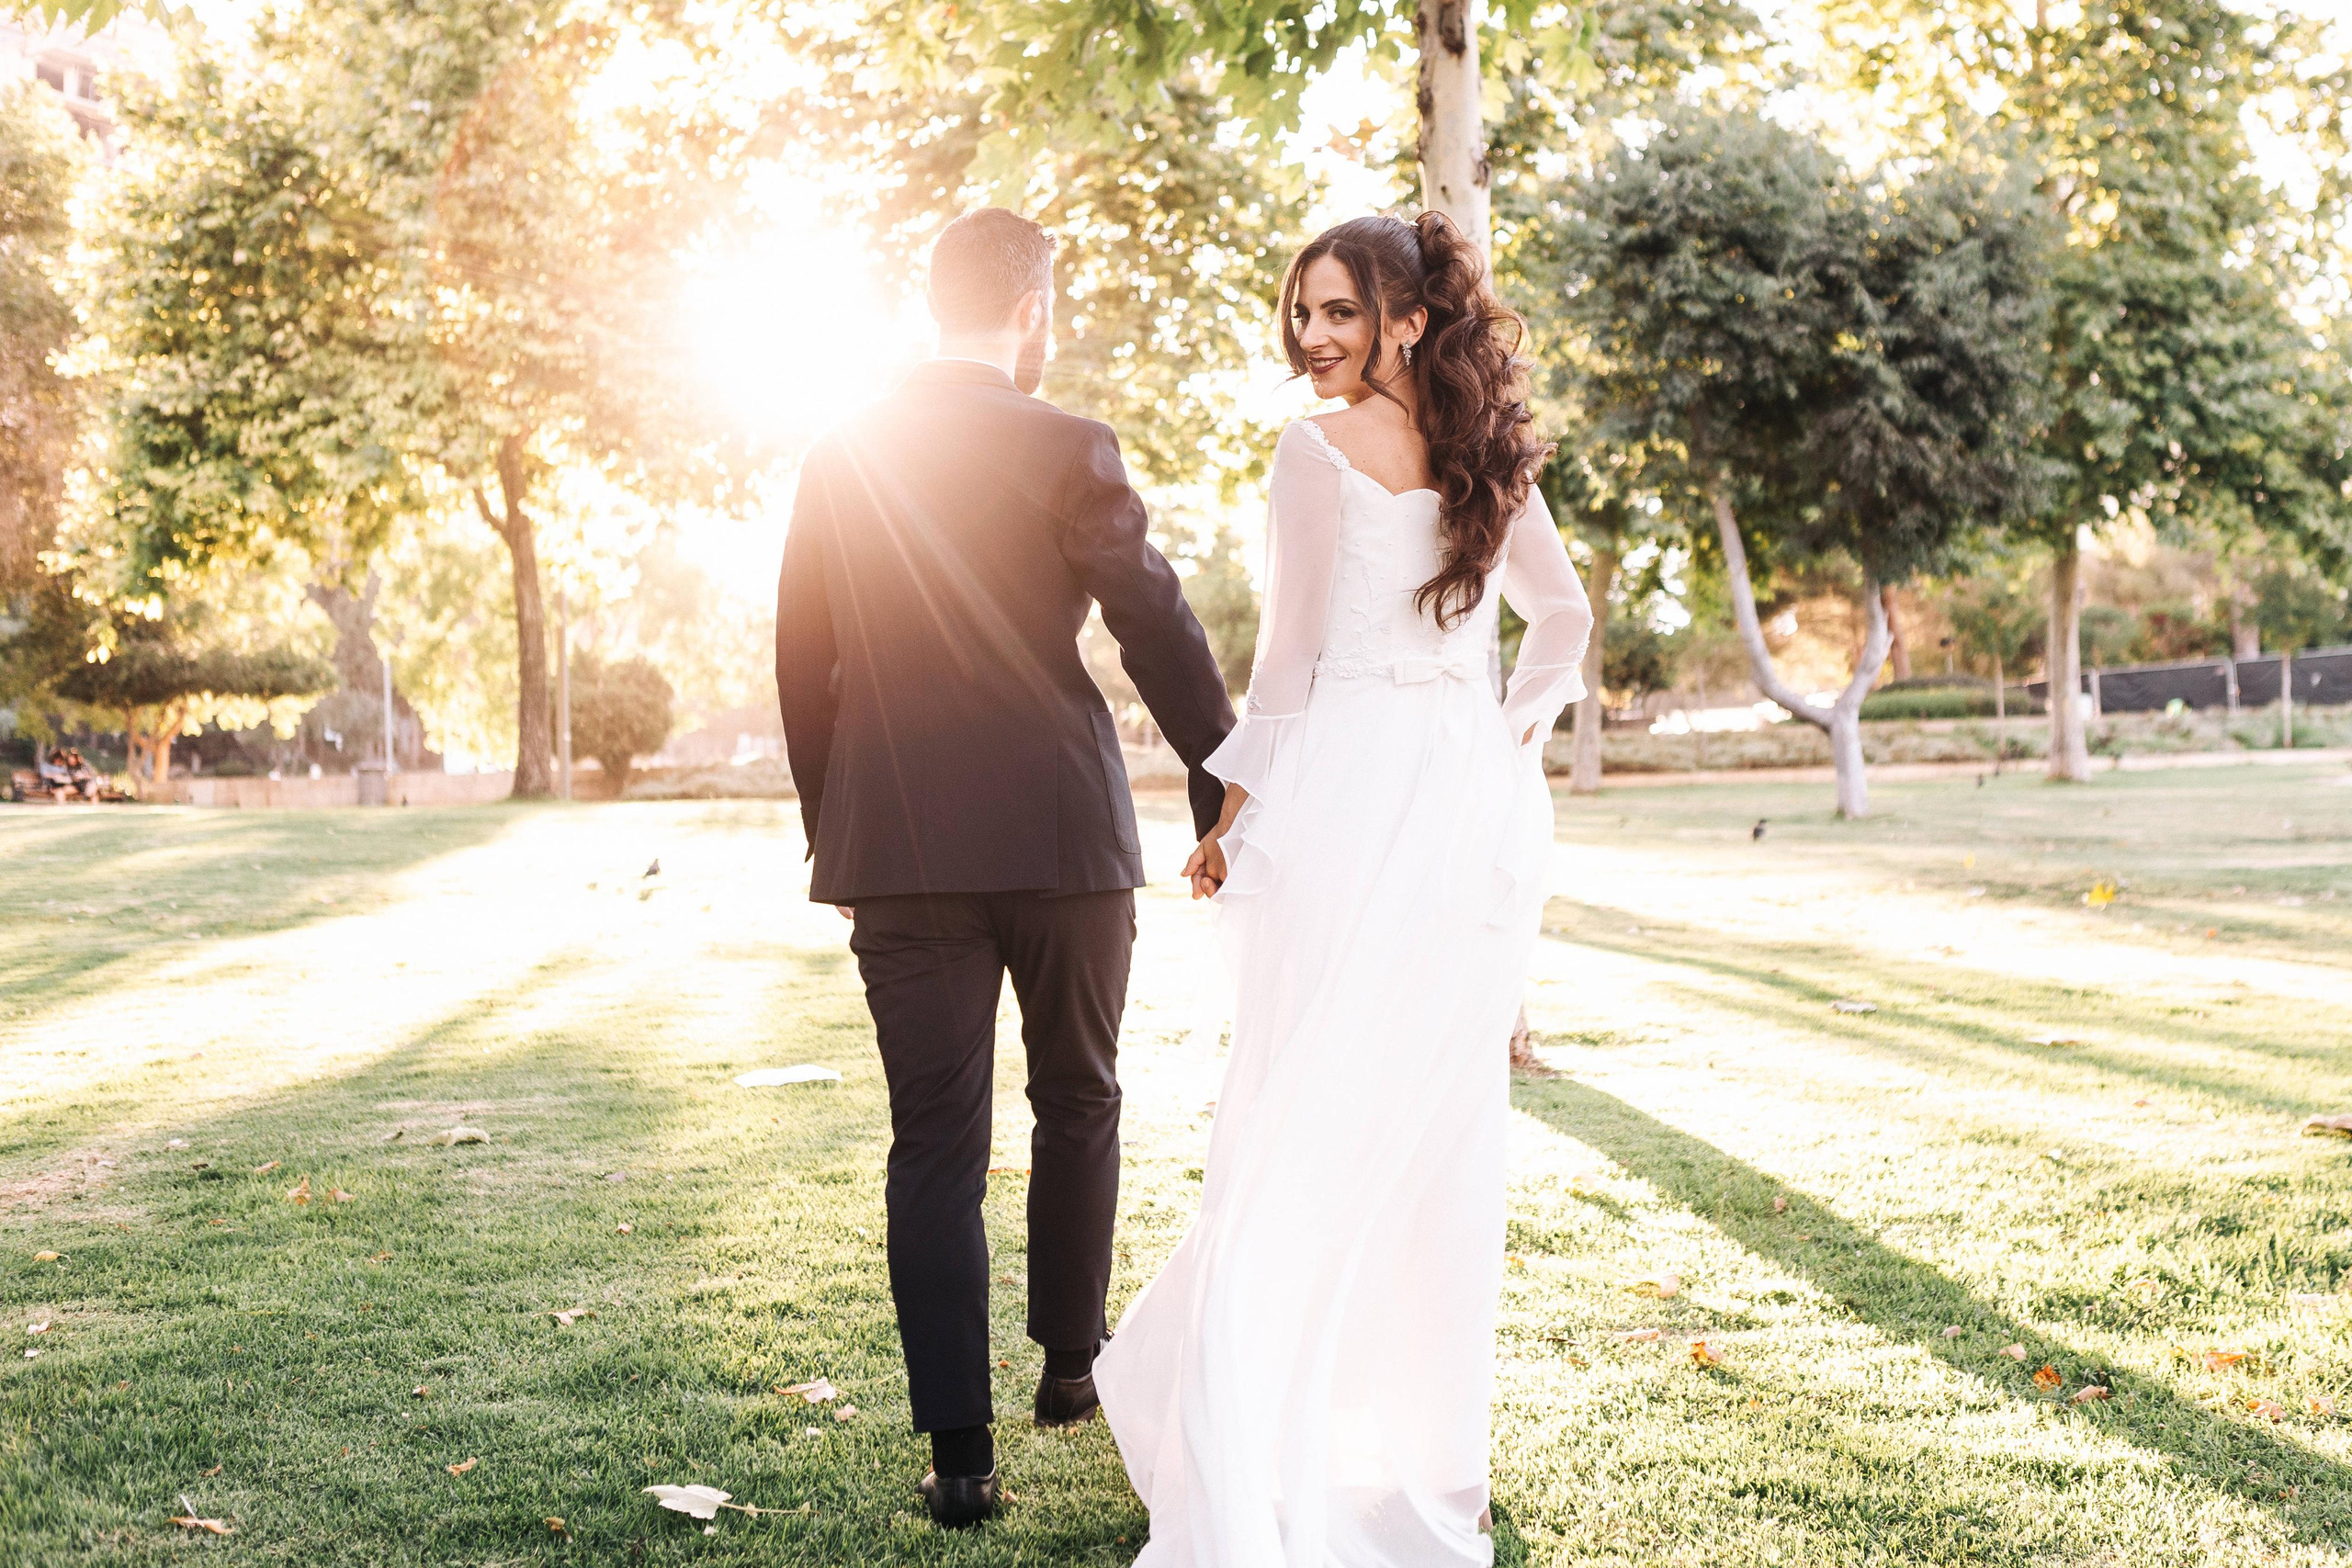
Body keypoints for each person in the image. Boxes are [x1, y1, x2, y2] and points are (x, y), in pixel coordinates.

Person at [1092, 212, 1594, 1566]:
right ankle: (1410, 1458)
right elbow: (1565, 622)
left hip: (1367, 791)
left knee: (1303, 1109)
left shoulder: (1313, 454)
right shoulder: (1485, 454)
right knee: (1426, 1127)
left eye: (1339, 312)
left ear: (1411, 320)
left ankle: (1269, 1437)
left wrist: (1230, 812)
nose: (1312, 338)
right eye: (1301, 311)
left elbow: (1289, 666)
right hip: (1468, 803)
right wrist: (1502, 739)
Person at [774, 208, 1237, 1529]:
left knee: (934, 1143)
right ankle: (1070, 1368)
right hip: (1061, 836)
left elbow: (804, 666)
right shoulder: (1065, 443)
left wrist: (836, 829)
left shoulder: (841, 454)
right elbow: (1155, 621)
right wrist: (1219, 785)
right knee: (1081, 1097)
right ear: (1035, 310)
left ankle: (962, 1460)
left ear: (936, 307)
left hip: (902, 848)